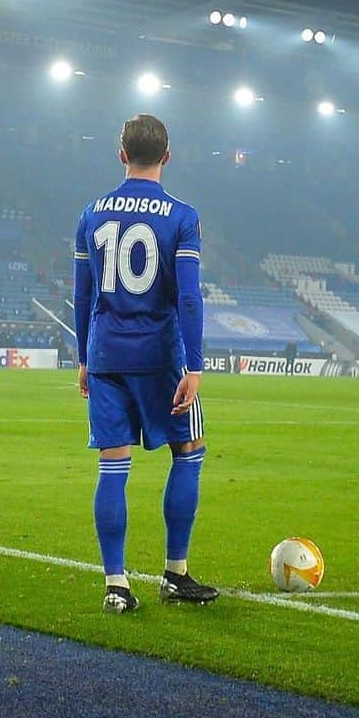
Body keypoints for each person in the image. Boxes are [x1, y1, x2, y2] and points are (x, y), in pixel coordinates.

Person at [74, 113, 217, 614]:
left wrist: (82, 358)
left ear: (121, 154)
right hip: (161, 358)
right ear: (167, 155)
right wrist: (194, 367)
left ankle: (116, 585)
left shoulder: (91, 213)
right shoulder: (182, 216)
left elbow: (82, 292)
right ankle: (175, 574)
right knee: (189, 451)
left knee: (112, 466)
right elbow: (189, 297)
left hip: (106, 353)